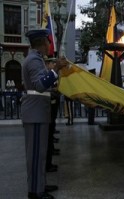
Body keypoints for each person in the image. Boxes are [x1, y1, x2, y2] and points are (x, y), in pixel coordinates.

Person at [22, 29, 68, 199]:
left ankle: (39, 185)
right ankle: (35, 192)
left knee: (40, 155)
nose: (50, 45)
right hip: (35, 114)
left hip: (38, 113)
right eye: (48, 42)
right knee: (35, 156)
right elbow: (40, 85)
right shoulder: (34, 60)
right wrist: (55, 69)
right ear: (42, 43)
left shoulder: (37, 59)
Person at [44, 57, 60, 173]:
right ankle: (47, 164)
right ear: (48, 64)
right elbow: (43, 87)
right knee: (47, 136)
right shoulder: (47, 74)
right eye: (52, 63)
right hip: (47, 105)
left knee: (50, 131)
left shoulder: (51, 74)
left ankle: (49, 160)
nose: (54, 64)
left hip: (52, 104)